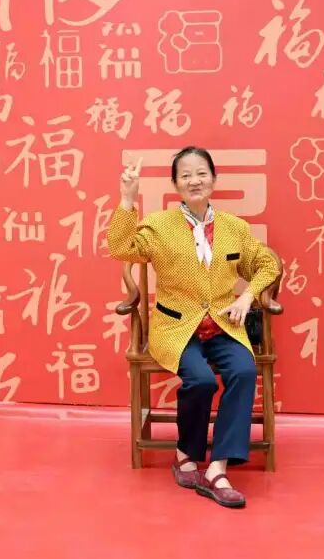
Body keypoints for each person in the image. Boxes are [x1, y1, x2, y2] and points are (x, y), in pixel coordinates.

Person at [107, 146, 281, 509]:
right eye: (185, 175)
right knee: (201, 380)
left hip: (223, 324)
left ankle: (218, 466)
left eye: (201, 173)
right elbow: (122, 248)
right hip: (175, 327)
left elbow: (267, 264)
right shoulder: (159, 226)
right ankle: (186, 452)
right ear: (176, 184)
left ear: (214, 179)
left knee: (244, 370)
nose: (195, 181)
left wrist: (248, 296)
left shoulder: (235, 228)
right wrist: (127, 198)